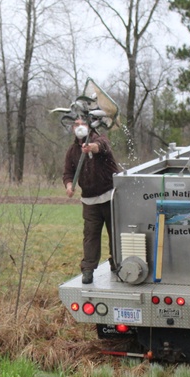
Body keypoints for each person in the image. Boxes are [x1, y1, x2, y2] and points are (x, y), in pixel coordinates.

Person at [62, 117, 121, 284]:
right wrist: (68, 185)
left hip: (110, 197)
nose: (80, 127)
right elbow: (68, 173)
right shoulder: (72, 151)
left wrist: (91, 148)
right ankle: (88, 269)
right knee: (90, 236)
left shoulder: (100, 139)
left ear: (90, 126)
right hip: (89, 201)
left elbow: (101, 147)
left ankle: (117, 263)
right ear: (73, 127)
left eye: (83, 124)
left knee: (114, 233)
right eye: (77, 124)